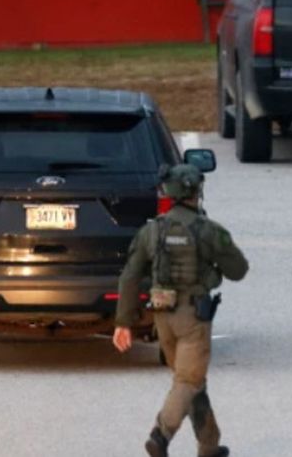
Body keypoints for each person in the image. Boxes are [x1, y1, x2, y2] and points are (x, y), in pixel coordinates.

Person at [112, 164, 249, 457]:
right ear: (197, 191)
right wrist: (213, 268)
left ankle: (209, 445)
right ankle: (160, 435)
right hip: (193, 318)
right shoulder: (208, 230)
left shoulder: (151, 231)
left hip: (163, 317)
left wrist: (123, 322)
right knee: (188, 380)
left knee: (191, 381)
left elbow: (130, 277)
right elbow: (239, 270)